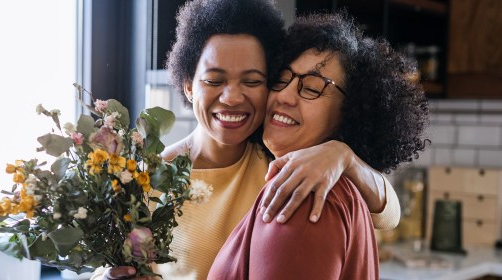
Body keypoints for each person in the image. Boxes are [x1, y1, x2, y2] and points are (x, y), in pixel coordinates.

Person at [94, 1, 401, 279]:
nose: (232, 97)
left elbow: (389, 214)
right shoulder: (147, 178)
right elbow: (107, 267)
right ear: (188, 85)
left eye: (252, 81)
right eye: (214, 80)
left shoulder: (281, 158)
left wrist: (342, 155)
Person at [208, 11, 429, 279]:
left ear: (351, 112)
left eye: (312, 88)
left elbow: (390, 212)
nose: (284, 96)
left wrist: (345, 156)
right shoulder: (316, 178)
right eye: (281, 80)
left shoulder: (304, 194)